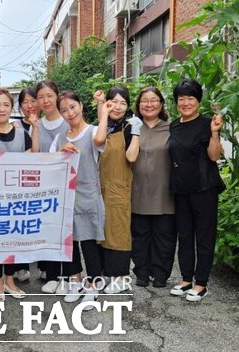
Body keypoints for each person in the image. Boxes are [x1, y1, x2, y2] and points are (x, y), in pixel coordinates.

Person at [168, 79, 224, 302]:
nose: (186, 102)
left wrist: (215, 133)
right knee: (184, 235)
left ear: (198, 100)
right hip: (181, 189)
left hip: (204, 188)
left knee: (204, 236)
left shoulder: (207, 123)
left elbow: (214, 156)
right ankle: (185, 279)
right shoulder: (173, 125)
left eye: (191, 98)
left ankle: (201, 283)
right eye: (181, 98)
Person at [50, 91, 105, 309]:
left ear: (81, 105)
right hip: (66, 197)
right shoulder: (59, 138)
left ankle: (93, 285)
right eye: (64, 110)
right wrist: (61, 152)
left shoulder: (92, 132)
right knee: (69, 243)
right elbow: (51, 164)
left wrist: (103, 106)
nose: (69, 113)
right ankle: (75, 280)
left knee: (89, 242)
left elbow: (101, 141)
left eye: (72, 107)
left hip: (88, 195)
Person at [0, 87, 39, 301]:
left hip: (16, 197)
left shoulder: (20, 132)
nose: (2, 109)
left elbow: (33, 154)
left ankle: (10, 280)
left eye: (6, 105)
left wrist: (35, 127)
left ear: (12, 108)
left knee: (12, 239)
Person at [93, 87, 142, 293]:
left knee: (119, 232)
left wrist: (137, 131)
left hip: (119, 188)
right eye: (114, 102)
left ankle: (121, 277)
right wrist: (100, 105)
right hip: (100, 188)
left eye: (123, 103)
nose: (119, 107)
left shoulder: (129, 128)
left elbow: (131, 157)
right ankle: (105, 273)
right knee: (102, 232)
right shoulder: (104, 127)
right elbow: (99, 141)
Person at [131, 87, 176, 288]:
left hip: (165, 192)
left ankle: (160, 274)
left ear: (161, 104)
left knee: (164, 236)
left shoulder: (172, 128)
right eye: (144, 101)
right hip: (137, 190)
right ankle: (141, 272)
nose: (149, 104)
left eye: (154, 100)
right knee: (140, 235)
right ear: (138, 105)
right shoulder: (131, 128)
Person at [35, 80, 71, 294]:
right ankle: (51, 275)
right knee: (47, 227)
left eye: (49, 95)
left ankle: (67, 275)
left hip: (66, 184)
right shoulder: (36, 124)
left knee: (65, 229)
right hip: (44, 185)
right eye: (41, 97)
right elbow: (36, 151)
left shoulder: (68, 120)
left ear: (57, 96)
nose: (45, 100)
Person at [13, 87, 40, 282]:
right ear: (20, 106)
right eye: (25, 102)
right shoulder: (15, 126)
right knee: (20, 225)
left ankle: (45, 266)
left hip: (43, 184)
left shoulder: (46, 123)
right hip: (21, 184)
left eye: (33, 100)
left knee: (41, 224)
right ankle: (21, 267)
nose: (30, 105)